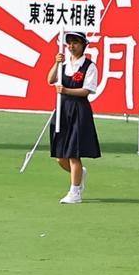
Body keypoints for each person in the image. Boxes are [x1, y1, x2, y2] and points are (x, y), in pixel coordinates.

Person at [47, 30, 101, 203]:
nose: (71, 46)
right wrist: (56, 63)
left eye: (76, 42)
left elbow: (87, 90)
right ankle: (79, 175)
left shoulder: (89, 66)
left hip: (78, 110)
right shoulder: (63, 64)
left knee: (73, 154)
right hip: (62, 110)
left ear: (84, 45)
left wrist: (67, 90)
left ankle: (75, 192)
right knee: (60, 157)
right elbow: (50, 80)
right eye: (69, 42)